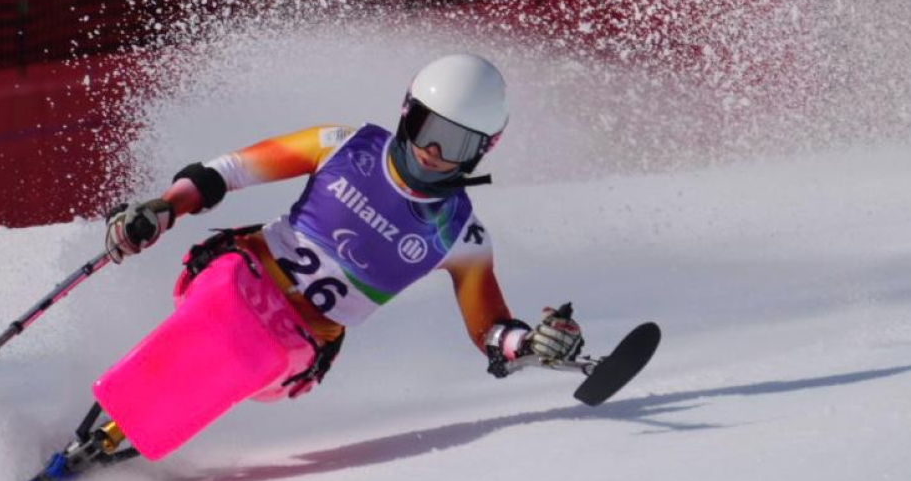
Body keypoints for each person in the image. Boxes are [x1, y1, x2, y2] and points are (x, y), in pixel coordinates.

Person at [96, 53, 584, 459]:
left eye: (454, 142)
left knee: (254, 351)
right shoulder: (342, 146)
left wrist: (528, 343)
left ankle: (126, 435)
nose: (432, 149)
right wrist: (162, 210)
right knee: (224, 300)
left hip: (298, 345)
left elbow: (490, 329)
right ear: (405, 111)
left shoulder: (461, 235)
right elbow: (226, 172)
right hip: (238, 275)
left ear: (482, 150)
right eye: (423, 125)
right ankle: (112, 419)